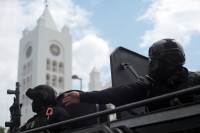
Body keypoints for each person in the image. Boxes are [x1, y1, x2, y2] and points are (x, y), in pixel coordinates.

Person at [62, 39, 200, 111]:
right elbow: (117, 93)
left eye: (155, 64)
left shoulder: (196, 81)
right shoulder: (149, 86)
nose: (152, 68)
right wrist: (82, 96)